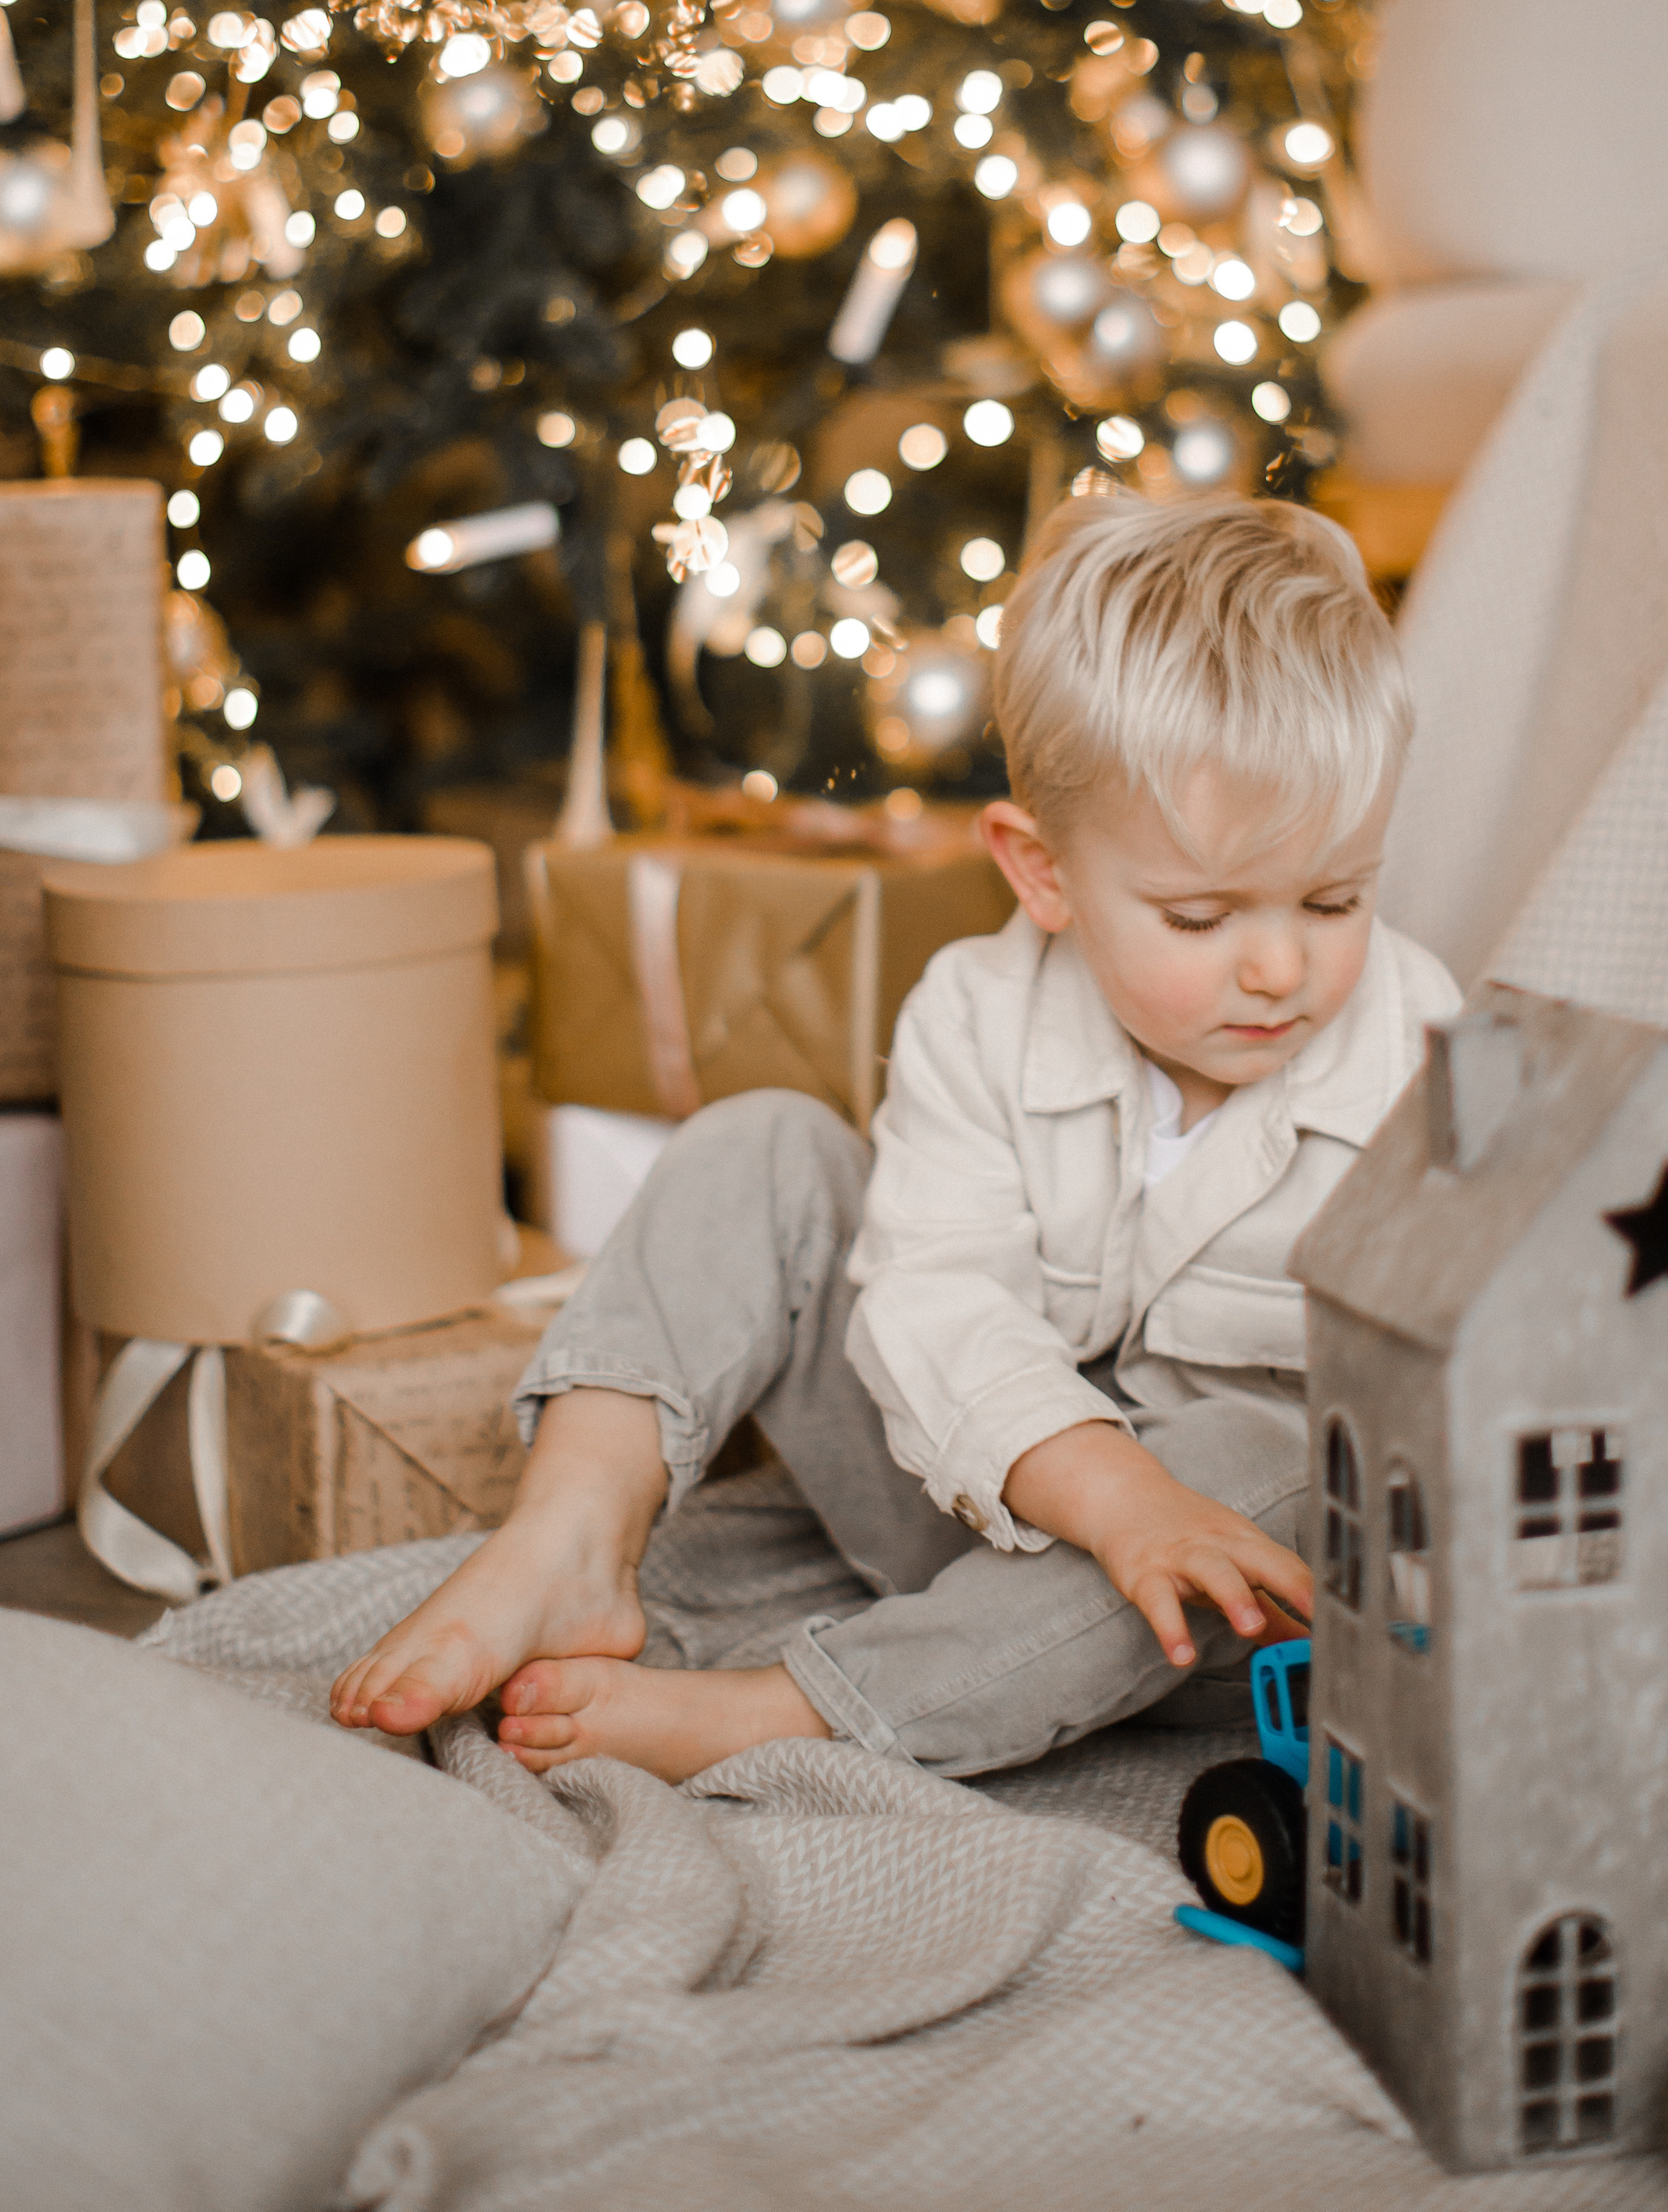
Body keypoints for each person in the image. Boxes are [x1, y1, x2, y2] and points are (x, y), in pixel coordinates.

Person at [331, 491, 1459, 1781]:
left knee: (1279, 1457)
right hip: (971, 1493)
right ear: (1042, 873)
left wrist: (1159, 1510)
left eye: (1333, 899)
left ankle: (800, 1713)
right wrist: (1106, 1492)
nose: (1278, 967)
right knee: (763, 1143)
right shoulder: (979, 1013)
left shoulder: (1423, 1056)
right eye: (1201, 919)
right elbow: (934, 1292)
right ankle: (571, 1535)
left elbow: (1442, 1396)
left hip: (1198, 1613)